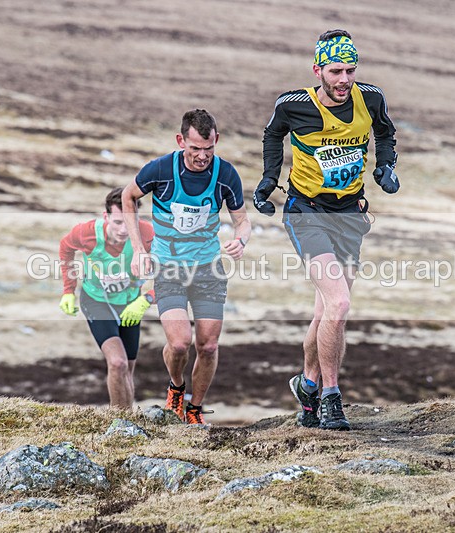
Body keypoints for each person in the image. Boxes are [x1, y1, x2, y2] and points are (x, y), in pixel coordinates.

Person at [253, 29, 400, 431]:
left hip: (349, 214)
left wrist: (385, 167)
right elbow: (272, 134)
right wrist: (268, 181)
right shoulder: (293, 104)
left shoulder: (371, 98)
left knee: (326, 313)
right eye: (336, 71)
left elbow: (385, 132)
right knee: (339, 304)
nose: (344, 79)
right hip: (307, 212)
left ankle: (307, 386)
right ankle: (331, 398)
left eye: (350, 70)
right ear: (317, 70)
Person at [121, 109, 251, 426]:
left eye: (209, 149)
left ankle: (195, 409)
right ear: (181, 141)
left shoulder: (226, 174)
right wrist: (138, 249)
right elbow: (128, 197)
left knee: (208, 346)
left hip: (208, 269)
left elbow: (242, 220)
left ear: (216, 141)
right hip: (168, 268)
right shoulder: (161, 169)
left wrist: (241, 240)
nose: (202, 156)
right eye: (195, 149)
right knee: (179, 344)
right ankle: (176, 386)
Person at [59, 187, 156, 411]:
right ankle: (117, 420)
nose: (124, 230)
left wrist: (146, 299)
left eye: (129, 222)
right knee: (117, 362)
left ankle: (128, 421)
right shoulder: (87, 233)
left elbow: (171, 274)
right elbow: (66, 248)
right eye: (118, 222)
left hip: (131, 302)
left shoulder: (147, 234)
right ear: (106, 216)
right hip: (96, 301)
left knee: (128, 368)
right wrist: (68, 291)